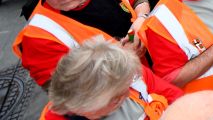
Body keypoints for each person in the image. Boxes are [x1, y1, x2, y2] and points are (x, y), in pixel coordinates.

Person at [13, 0, 150, 88]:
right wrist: (122, 58)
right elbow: (62, 88)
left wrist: (140, 19)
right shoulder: (38, 35)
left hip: (150, 70)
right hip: (118, 95)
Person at [41, 37, 181, 120]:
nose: (128, 94)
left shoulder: (125, 72)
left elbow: (175, 96)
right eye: (116, 99)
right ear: (85, 109)